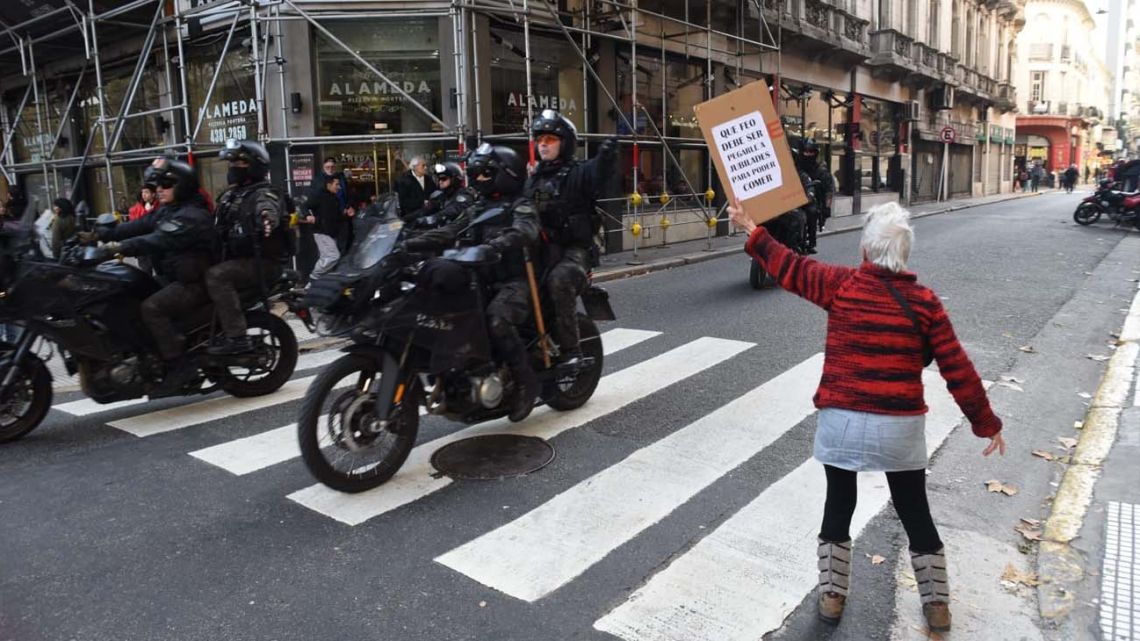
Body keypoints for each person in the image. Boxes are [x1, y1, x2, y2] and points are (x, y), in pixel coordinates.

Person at [727, 199, 1005, 633]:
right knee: (915, 511)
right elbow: (957, 367)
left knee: (839, 506)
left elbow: (788, 265)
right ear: (905, 254)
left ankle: (833, 598)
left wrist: (751, 227)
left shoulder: (839, 285)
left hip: (843, 423)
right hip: (900, 428)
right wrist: (985, 422)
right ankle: (936, 606)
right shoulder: (925, 303)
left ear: (865, 250)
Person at [404, 144, 541, 422]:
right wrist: (407, 243)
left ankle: (527, 383)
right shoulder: (479, 206)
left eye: (484, 174)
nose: (478, 179)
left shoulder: (520, 204)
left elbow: (526, 229)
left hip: (512, 282)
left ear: (505, 174)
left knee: (496, 322)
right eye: (476, 174)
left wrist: (497, 245)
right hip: (477, 280)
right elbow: (451, 230)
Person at [77, 157, 216, 397]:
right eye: (157, 185)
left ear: (182, 185)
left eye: (166, 185)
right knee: (127, 295)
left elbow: (155, 240)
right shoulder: (169, 211)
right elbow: (139, 225)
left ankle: (180, 366)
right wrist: (99, 234)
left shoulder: (192, 216)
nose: (159, 190)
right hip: (173, 278)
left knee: (151, 308)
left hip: (192, 283)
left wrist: (114, 248)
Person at [525, 109, 618, 363]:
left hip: (573, 252)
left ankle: (571, 350)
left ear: (564, 143)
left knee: (559, 280)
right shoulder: (532, 180)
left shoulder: (578, 173)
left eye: (551, 139)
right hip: (541, 250)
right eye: (540, 139)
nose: (543, 144)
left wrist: (606, 157)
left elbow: (597, 172)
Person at [203, 140, 291, 355]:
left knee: (217, 276)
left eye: (239, 164)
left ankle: (238, 338)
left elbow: (267, 206)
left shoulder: (266, 192)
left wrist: (266, 218)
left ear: (254, 166)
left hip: (263, 262)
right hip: (237, 258)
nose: (233, 169)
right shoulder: (230, 195)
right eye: (231, 164)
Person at [307, 173, 353, 282]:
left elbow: (337, 217)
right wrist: (307, 216)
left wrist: (347, 214)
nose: (339, 187)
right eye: (337, 184)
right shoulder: (319, 196)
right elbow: (305, 206)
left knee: (327, 258)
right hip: (321, 232)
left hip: (331, 233)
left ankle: (318, 285)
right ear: (329, 185)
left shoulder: (334, 199)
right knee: (333, 256)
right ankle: (313, 277)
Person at [795, 139, 835, 252]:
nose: (808, 154)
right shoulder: (795, 166)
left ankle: (810, 241)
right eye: (806, 152)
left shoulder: (821, 170)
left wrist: (827, 207)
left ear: (815, 153)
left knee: (812, 212)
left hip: (811, 200)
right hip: (792, 199)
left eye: (811, 152)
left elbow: (829, 190)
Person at [395, 155, 436, 220]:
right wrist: (422, 203)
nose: (426, 168)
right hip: (410, 217)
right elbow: (403, 202)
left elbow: (434, 193)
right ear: (415, 167)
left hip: (428, 217)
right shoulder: (403, 181)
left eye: (426, 165)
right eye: (423, 165)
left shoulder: (429, 179)